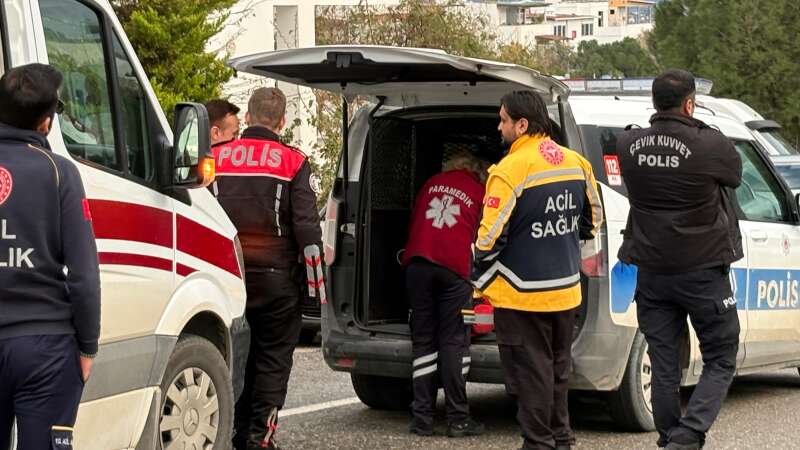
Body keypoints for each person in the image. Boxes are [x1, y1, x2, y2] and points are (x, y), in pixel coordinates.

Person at [616, 69, 742, 450]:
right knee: (721, 355)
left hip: (652, 273)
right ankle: (687, 436)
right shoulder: (710, 144)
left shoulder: (627, 143)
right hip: (703, 271)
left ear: (654, 103)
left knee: (664, 363)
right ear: (690, 104)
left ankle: (670, 437)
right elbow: (734, 175)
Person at [472, 91, 603, 450]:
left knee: (530, 377)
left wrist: (476, 273)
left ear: (522, 125)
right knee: (558, 372)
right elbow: (592, 220)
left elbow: (488, 239)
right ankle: (561, 439)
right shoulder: (576, 163)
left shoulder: (509, 170)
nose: (499, 128)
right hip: (565, 290)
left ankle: (538, 444)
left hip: (521, 296)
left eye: (503, 121)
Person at [212, 87, 323, 450]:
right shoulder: (293, 161)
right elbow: (307, 230)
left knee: (234, 357)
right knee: (273, 360)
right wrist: (316, 290)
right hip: (277, 281)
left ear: (246, 117)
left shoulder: (216, 157)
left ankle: (231, 432)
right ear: (282, 122)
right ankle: (260, 436)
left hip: (226, 277)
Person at [0, 64, 101, 449]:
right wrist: (87, 346)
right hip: (45, 347)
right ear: (45, 123)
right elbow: (84, 276)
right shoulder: (59, 172)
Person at [401, 151, 488, 438]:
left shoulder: (431, 183)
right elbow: (484, 235)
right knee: (453, 341)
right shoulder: (479, 190)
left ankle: (422, 418)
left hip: (417, 265)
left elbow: (416, 220)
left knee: (423, 340)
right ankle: (458, 419)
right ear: (477, 172)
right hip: (453, 270)